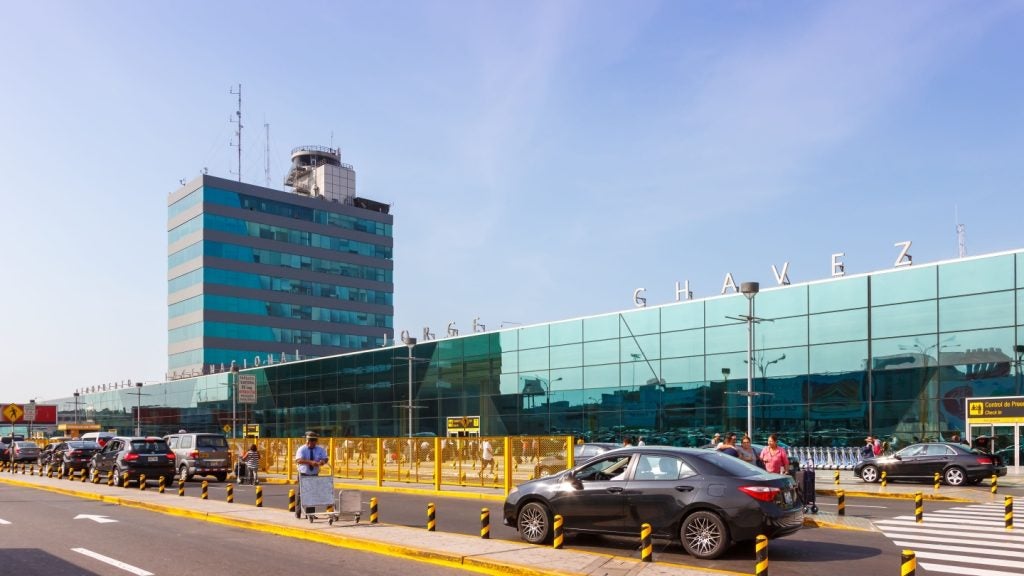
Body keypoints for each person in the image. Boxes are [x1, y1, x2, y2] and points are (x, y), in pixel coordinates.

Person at [294, 431, 329, 515]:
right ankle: (298, 511)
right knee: (301, 493)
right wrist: (310, 462)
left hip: (314, 474)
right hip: (303, 474)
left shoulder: (320, 449)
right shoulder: (302, 449)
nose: (311, 443)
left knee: (312, 493)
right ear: (307, 441)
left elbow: (325, 458)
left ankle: (311, 514)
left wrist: (323, 461)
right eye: (310, 441)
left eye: (313, 441)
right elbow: (298, 460)